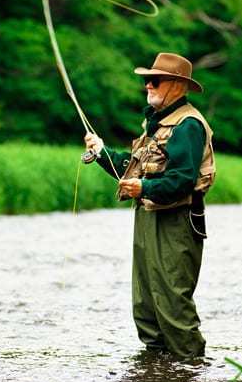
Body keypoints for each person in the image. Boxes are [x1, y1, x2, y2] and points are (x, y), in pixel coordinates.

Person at [84, 52, 215, 359]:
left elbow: (182, 181)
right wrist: (102, 152)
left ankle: (191, 373)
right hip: (147, 216)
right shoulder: (154, 125)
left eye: (154, 80)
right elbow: (132, 167)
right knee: (146, 306)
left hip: (177, 221)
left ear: (177, 86)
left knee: (172, 305)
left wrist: (143, 187)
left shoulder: (188, 125)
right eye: (146, 81)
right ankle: (156, 374)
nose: (147, 86)